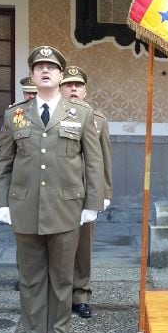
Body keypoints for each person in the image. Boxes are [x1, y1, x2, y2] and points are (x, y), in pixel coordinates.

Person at [0, 46, 104, 333]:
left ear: (60, 75)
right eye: (39, 66)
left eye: (51, 67)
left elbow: (93, 163)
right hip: (25, 208)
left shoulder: (80, 113)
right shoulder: (15, 114)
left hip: (66, 207)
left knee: (61, 279)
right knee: (31, 279)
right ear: (32, 75)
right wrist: (2, 202)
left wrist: (91, 204)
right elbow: (2, 161)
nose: (45, 71)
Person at [59, 65, 113, 318]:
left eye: (77, 85)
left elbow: (103, 159)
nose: (73, 89)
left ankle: (80, 295)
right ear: (60, 88)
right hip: (55, 194)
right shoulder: (49, 117)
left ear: (85, 91)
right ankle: (57, 295)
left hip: (84, 194)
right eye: (68, 84)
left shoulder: (97, 119)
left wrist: (103, 192)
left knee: (82, 248)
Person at [12, 76, 38, 292]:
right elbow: (3, 155)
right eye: (27, 93)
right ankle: (24, 276)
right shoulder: (15, 114)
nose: (31, 96)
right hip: (22, 188)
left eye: (34, 92)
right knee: (24, 239)